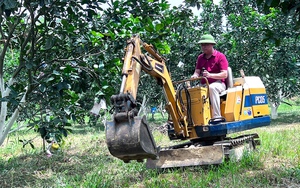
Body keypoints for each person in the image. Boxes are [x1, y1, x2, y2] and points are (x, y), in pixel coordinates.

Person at [191, 34, 228, 119]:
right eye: (202, 45)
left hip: (219, 84)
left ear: (212, 45)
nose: (204, 47)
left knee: (212, 88)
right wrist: (194, 75)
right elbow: (197, 71)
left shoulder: (220, 56)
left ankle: (217, 117)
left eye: (206, 45)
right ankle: (197, 118)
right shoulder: (200, 58)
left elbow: (225, 74)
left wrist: (211, 75)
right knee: (193, 91)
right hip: (204, 84)